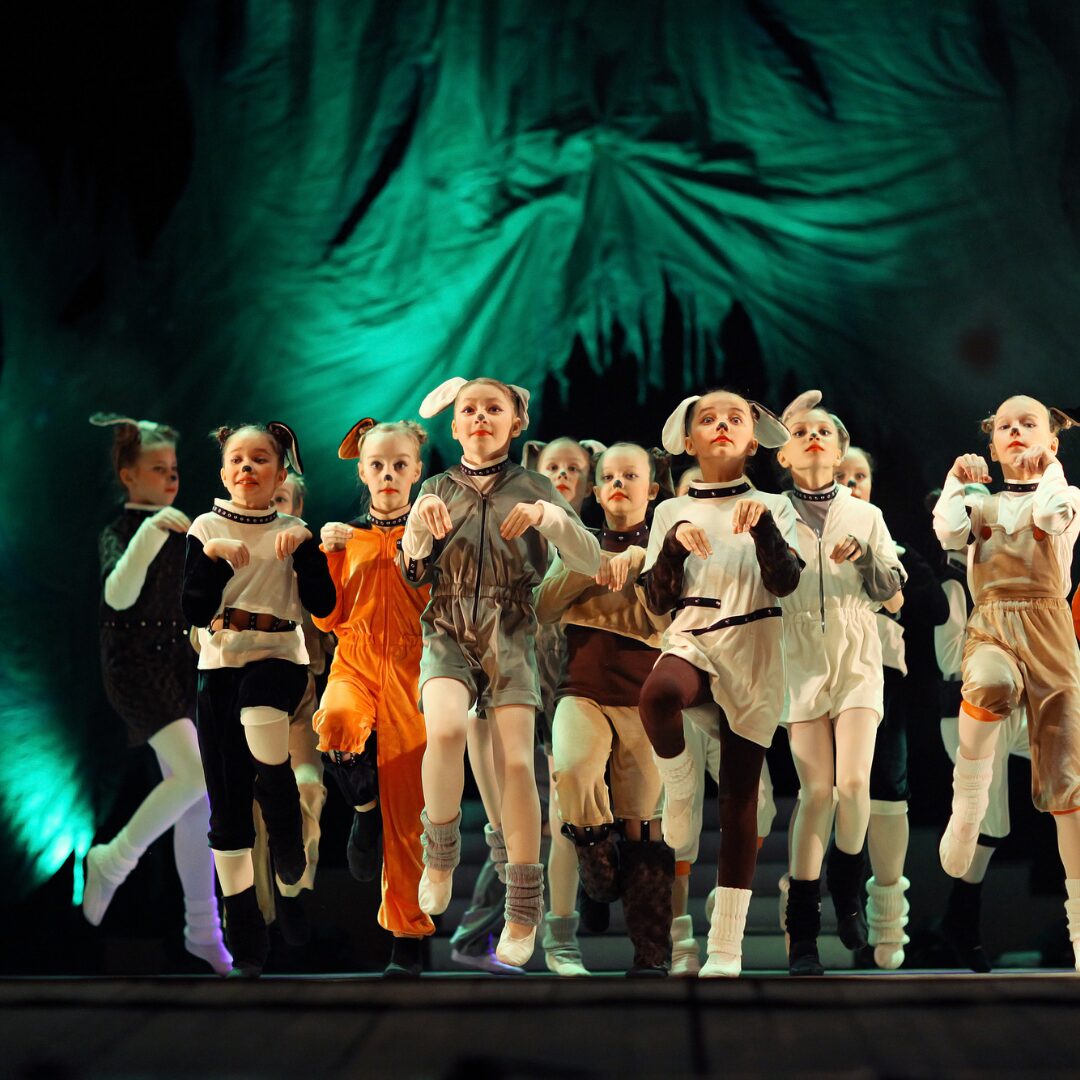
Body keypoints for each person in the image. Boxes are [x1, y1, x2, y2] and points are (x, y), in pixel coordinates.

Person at [401, 377, 601, 967]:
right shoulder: (436, 487)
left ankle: (522, 909)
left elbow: (588, 558)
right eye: (469, 409)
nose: (481, 416)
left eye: (494, 408)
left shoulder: (534, 486)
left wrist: (549, 517)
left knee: (516, 762)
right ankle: (440, 855)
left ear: (517, 423)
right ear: (455, 425)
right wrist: (418, 526)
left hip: (511, 627)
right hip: (448, 621)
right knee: (444, 731)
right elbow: (413, 571)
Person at [638, 389, 801, 977]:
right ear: (689, 441)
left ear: (753, 441)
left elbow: (785, 583)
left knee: (739, 797)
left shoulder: (775, 505)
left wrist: (765, 531)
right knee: (658, 695)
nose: (722, 426)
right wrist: (672, 549)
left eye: (735, 419)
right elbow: (657, 601)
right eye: (708, 419)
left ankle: (726, 944)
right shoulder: (669, 511)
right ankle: (680, 784)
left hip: (754, 646)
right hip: (693, 634)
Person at [182, 422, 335, 977]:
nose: (248, 468)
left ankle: (283, 809)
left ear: (280, 473)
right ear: (224, 473)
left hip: (280, 657)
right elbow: (193, 610)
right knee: (227, 811)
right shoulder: (205, 526)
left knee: (260, 706)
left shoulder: (294, 528)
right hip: (219, 663)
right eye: (238, 460)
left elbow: (322, 604)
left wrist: (307, 555)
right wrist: (212, 556)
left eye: (261, 459)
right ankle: (245, 932)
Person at [933, 396, 1080, 970]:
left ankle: (1079, 926)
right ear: (991, 447)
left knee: (1067, 786)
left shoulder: (1065, 493)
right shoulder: (979, 501)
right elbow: (948, 531)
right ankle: (968, 802)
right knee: (990, 684)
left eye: (1028, 425)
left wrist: (1049, 468)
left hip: (1051, 630)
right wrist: (957, 481)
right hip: (994, 619)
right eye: (1004, 427)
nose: (1015, 431)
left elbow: (1051, 515)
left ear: (1052, 441)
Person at [87, 413, 230, 975]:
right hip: (134, 666)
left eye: (173, 469)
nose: (170, 478)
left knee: (199, 797)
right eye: (156, 469)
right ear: (128, 475)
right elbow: (118, 596)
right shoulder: (120, 530)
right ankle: (113, 860)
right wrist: (149, 534)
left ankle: (202, 928)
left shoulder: (184, 531)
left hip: (179, 666)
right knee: (195, 777)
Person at [776, 394, 905, 976]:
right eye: (800, 431)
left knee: (854, 785)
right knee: (817, 793)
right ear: (783, 453)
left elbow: (893, 595)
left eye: (823, 431)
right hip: (798, 652)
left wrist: (865, 561)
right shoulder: (771, 510)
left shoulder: (865, 514)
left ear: (840, 448)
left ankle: (848, 886)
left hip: (856, 650)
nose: (813, 437)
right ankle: (803, 932)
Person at [536, 442, 673, 974]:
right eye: (610, 476)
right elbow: (544, 606)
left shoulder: (666, 545)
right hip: (583, 690)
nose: (619, 484)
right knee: (572, 773)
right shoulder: (581, 543)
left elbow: (670, 619)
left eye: (630, 475)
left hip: (644, 698)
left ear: (651, 489)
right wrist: (592, 563)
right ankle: (597, 873)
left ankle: (651, 953)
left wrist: (640, 565)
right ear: (595, 491)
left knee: (643, 822)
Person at [314, 417, 434, 977]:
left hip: (415, 671)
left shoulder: (432, 531)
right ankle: (362, 810)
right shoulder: (347, 535)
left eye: (399, 465)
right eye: (378, 465)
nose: (388, 474)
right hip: (357, 660)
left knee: (408, 815)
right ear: (362, 472)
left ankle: (405, 939)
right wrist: (327, 553)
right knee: (336, 722)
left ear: (416, 471)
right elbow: (327, 617)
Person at [835, 446, 948, 969]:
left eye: (860, 475)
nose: (851, 483)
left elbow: (935, 608)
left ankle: (887, 924)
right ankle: (814, 916)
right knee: (822, 792)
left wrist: (888, 582)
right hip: (816, 677)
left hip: (881, 679)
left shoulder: (894, 548)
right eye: (842, 475)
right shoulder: (798, 539)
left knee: (886, 789)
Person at [249, 472, 331, 946]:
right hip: (247, 693)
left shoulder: (309, 558)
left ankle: (294, 882)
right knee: (254, 814)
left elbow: (335, 620)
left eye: (282, 499)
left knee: (308, 788)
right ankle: (258, 922)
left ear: (297, 510)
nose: (273, 506)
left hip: (300, 694)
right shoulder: (235, 550)